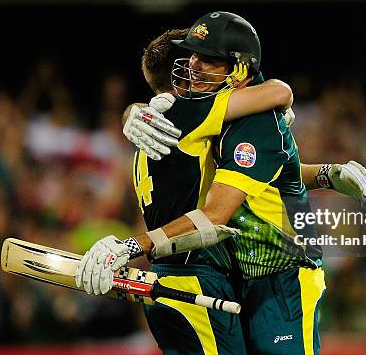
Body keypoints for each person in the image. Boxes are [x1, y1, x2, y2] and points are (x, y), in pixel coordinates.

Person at [78, 12, 366, 354]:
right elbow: (279, 95)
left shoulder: (241, 119)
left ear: (238, 70)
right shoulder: (205, 112)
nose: (193, 65)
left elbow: (222, 206)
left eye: (206, 58)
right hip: (227, 272)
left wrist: (129, 247)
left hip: (283, 272)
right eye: (190, 55)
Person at [79, 27, 296, 354]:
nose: (203, 65)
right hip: (196, 275)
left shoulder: (148, 127)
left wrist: (130, 109)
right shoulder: (190, 113)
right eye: (200, 59)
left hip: (166, 276)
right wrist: (268, 115)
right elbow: (278, 92)